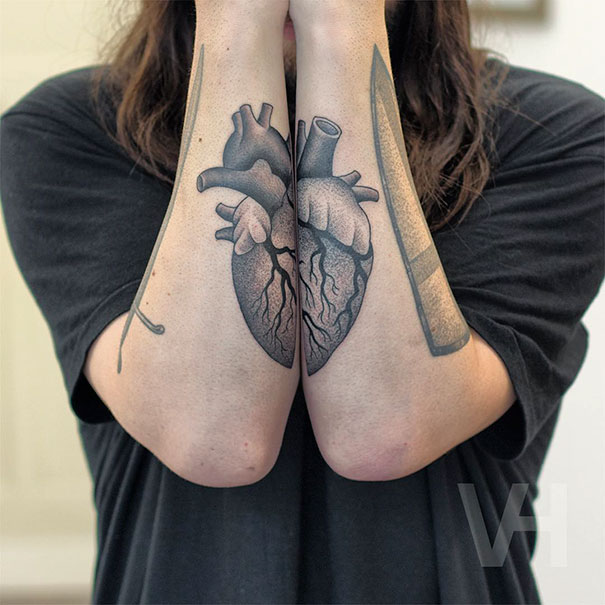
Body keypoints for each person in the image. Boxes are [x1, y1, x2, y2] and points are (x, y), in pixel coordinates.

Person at [1, 0, 603, 602]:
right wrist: (237, 23)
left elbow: (380, 433)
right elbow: (219, 440)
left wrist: (341, 26)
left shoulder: (557, 136)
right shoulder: (67, 131)